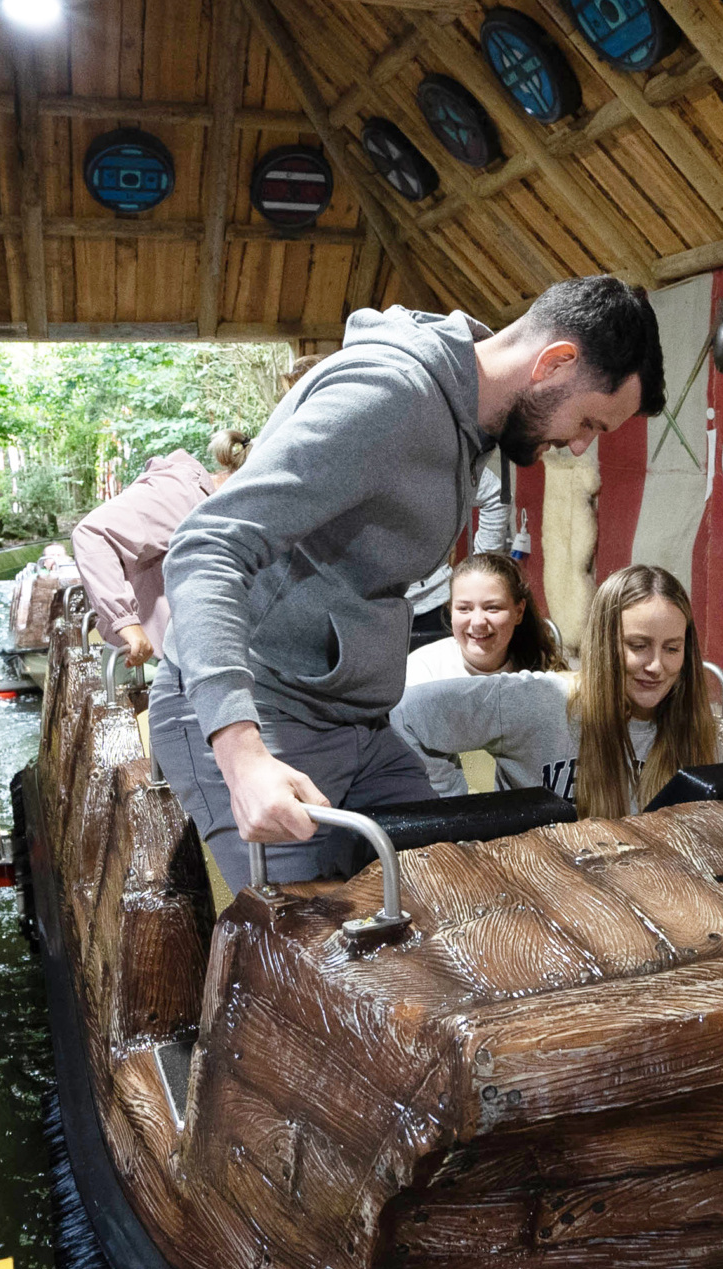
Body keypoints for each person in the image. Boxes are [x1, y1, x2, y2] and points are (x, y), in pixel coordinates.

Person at [152, 275, 663, 884]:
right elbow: (206, 545)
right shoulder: (389, 396)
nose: (579, 448)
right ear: (555, 363)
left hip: (359, 724)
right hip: (263, 708)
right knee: (307, 946)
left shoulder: (469, 422)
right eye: (589, 423)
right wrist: (242, 756)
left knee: (442, 897)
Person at [392, 565, 723, 813]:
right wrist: (460, 811)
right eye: (638, 645)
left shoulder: (695, 728)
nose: (656, 666)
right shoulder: (542, 700)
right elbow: (404, 714)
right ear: (604, 642)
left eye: (671, 648)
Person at [67, 430, 241, 667]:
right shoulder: (183, 493)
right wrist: (126, 622)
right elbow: (92, 534)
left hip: (175, 654)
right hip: (145, 659)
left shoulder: (214, 505)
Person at [405, 551, 560, 686]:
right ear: (451, 611)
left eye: (492, 608)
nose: (478, 622)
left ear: (518, 612)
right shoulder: (423, 670)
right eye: (464, 609)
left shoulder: (543, 669)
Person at [405, 462, 512, 651]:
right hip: (362, 614)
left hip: (437, 610)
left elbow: (495, 494)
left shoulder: (431, 453)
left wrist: (480, 572)